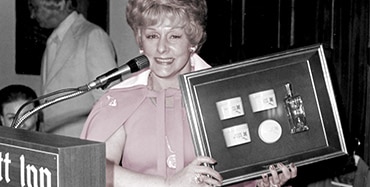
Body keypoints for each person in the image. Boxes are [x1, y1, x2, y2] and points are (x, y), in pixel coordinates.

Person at [81, 0, 297, 186]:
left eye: (174, 36)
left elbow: (241, 178)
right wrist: (167, 185)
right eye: (152, 36)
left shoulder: (223, 95)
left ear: (192, 41)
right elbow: (91, 170)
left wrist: (265, 183)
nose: (162, 48)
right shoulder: (120, 99)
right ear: (140, 40)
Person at [28, 0, 118, 137]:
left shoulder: (92, 35)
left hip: (81, 143)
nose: (32, 16)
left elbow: (109, 100)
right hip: (54, 142)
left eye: (34, 7)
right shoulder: (54, 40)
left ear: (60, 3)